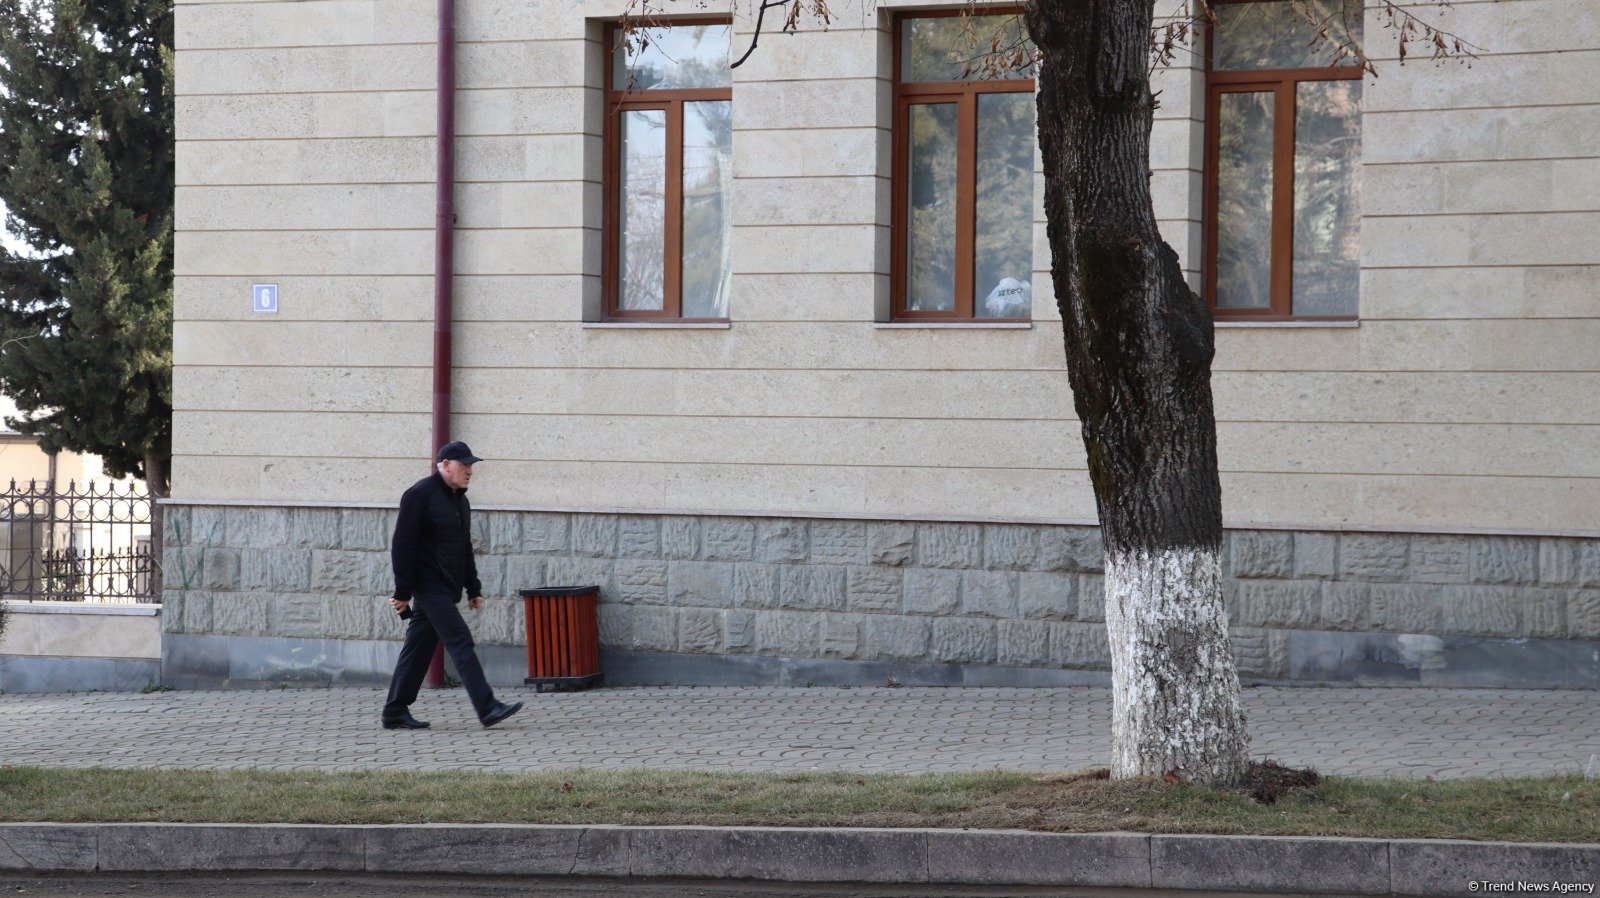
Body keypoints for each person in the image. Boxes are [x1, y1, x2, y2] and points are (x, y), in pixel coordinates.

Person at [381, 440, 523, 730]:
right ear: (445, 465)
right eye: (464, 465)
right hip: (427, 585)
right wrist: (402, 592)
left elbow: (464, 547)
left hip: (447, 585)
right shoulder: (419, 495)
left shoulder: (460, 500)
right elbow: (402, 546)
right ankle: (487, 707)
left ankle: (395, 710)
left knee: (418, 646)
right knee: (459, 639)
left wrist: (473, 588)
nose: (470, 471)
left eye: (471, 466)